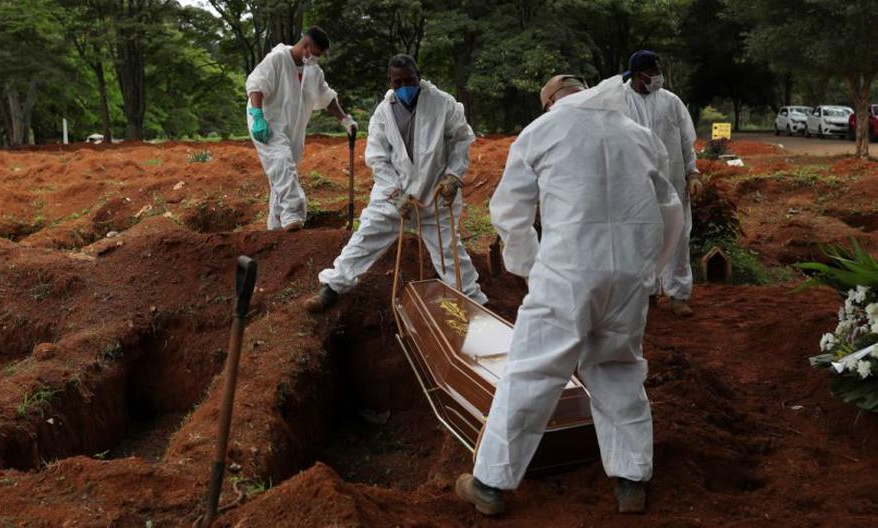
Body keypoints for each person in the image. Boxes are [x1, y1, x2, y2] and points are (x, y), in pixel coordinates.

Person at [455, 74, 684, 515]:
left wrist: (529, 267)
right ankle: (631, 480)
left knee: (533, 372)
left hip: (568, 274)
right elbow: (669, 208)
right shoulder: (638, 135)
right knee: (618, 368)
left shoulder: (542, 131)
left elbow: (510, 211)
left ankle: (490, 483)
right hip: (628, 279)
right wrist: (649, 273)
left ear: (549, 102)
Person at [304, 55, 487, 312]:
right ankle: (332, 287)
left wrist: (454, 175)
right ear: (389, 82)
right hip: (394, 198)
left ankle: (473, 304)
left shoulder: (443, 104)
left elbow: (461, 139)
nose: (404, 87)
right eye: (398, 82)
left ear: (418, 76)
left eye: (409, 80)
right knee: (365, 238)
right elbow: (377, 158)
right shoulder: (383, 112)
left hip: (435, 196)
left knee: (450, 253)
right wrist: (395, 193)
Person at [246, 26, 358, 232]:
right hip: (267, 121)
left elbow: (326, 96)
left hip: (294, 127)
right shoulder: (277, 59)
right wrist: (257, 115)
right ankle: (294, 213)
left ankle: (276, 227)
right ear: (305, 46)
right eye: (315, 54)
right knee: (282, 163)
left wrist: (344, 119)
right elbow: (256, 85)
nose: (316, 59)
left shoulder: (313, 70)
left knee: (283, 173)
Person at [623, 50, 702, 317]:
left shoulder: (671, 102)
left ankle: (679, 295)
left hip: (672, 181)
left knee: (678, 237)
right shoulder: (619, 101)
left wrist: (693, 173)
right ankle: (647, 293)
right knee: (640, 238)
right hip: (635, 184)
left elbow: (685, 142)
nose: (658, 76)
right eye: (653, 72)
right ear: (638, 75)